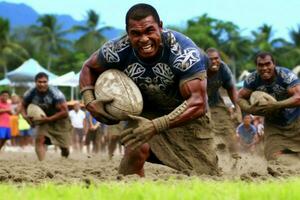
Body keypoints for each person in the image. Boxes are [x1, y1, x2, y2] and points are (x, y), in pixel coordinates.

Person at [79, 3, 218, 176]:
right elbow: (88, 67)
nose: (143, 39)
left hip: (186, 114)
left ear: (160, 26)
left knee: (206, 175)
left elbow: (198, 103)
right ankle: (129, 189)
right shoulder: (116, 50)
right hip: (146, 111)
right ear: (128, 32)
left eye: (149, 31)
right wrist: (89, 101)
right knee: (136, 146)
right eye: (136, 34)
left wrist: (156, 126)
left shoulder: (184, 53)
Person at [237, 52, 300, 162]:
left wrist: (276, 105)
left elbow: (298, 97)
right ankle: (289, 170)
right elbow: (239, 97)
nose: (264, 68)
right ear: (256, 66)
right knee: (273, 158)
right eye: (260, 65)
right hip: (273, 124)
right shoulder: (252, 79)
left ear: (274, 64)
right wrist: (249, 109)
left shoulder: (286, 76)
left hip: (296, 120)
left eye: (268, 64)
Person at [21, 72, 72, 161]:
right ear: (35, 82)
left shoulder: (56, 94)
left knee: (64, 148)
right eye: (39, 82)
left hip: (60, 121)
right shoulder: (30, 93)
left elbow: (65, 112)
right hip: (44, 119)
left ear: (48, 82)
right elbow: (22, 105)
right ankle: (42, 163)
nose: (42, 84)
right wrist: (25, 116)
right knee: (39, 139)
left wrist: (48, 119)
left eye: (44, 82)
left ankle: (65, 158)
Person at [206, 48, 240, 158]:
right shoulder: (198, 68)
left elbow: (231, 88)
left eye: (216, 58)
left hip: (216, 103)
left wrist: (238, 108)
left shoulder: (223, 68)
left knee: (228, 128)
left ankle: (235, 156)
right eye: (211, 59)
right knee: (206, 131)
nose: (214, 61)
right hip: (198, 104)